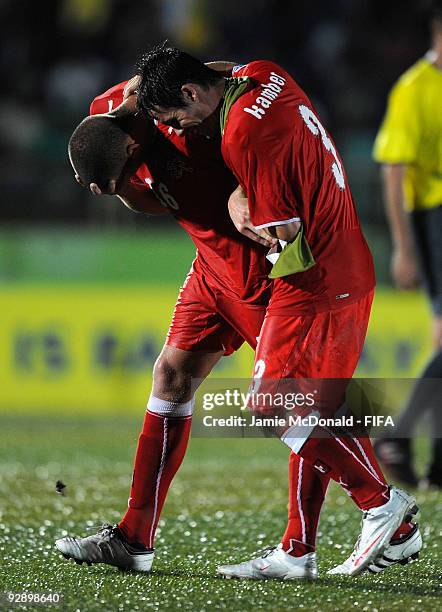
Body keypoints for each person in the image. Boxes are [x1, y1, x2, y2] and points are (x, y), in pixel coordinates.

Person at [134, 44, 421, 577]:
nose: (182, 129)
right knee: (312, 405)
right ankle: (299, 550)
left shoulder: (241, 135)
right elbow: (264, 126)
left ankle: (383, 505)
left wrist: (243, 215)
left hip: (314, 279)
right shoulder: (265, 74)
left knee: (274, 403)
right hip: (347, 261)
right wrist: (241, 189)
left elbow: (286, 238)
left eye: (177, 117)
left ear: (192, 93)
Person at [372, 1, 442, 489]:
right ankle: (396, 436)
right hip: (434, 219)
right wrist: (403, 246)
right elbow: (393, 169)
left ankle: (438, 464)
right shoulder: (415, 88)